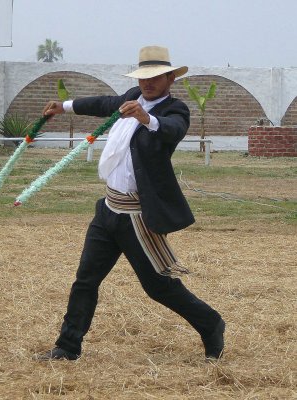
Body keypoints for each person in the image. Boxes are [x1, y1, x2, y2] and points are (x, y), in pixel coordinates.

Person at [35, 46, 225, 362]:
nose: (147, 83)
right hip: (108, 209)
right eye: (143, 77)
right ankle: (67, 348)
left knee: (159, 288)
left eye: (155, 77)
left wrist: (147, 118)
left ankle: (211, 324)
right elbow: (102, 103)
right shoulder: (131, 97)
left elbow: (171, 130)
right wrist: (64, 106)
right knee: (86, 280)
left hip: (138, 217)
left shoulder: (175, 110)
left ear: (169, 79)